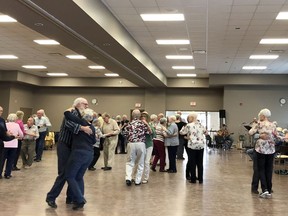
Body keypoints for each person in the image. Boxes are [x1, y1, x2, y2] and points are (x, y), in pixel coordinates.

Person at [46, 97, 91, 208]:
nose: (87, 106)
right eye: (85, 104)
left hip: (73, 147)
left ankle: (70, 198)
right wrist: (83, 128)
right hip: (64, 145)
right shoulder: (72, 112)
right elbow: (69, 125)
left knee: (73, 173)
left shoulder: (79, 114)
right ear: (79, 104)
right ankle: (51, 197)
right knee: (64, 173)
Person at [63, 108, 96, 210]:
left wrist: (70, 108)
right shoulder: (92, 127)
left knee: (70, 176)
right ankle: (78, 200)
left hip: (79, 153)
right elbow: (94, 141)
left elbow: (67, 114)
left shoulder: (82, 123)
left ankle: (80, 199)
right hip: (89, 154)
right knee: (79, 177)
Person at [249, 108, 277, 199]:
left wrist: (254, 125)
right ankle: (269, 190)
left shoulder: (259, 123)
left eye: (260, 115)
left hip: (261, 149)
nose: (259, 117)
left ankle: (264, 190)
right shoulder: (273, 124)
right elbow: (275, 136)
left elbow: (250, 132)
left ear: (263, 116)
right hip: (271, 149)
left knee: (261, 169)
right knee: (269, 170)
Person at [124, 109, 151, 186]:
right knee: (140, 162)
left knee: (129, 162)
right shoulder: (143, 124)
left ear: (132, 115)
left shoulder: (128, 124)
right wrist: (147, 125)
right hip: (141, 144)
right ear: (139, 116)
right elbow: (149, 132)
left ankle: (128, 178)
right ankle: (137, 180)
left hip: (131, 143)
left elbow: (125, 134)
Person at [180, 112, 207, 183]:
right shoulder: (201, 125)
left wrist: (187, 136)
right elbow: (206, 133)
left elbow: (181, 132)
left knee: (192, 162)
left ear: (191, 118)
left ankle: (193, 179)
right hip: (201, 145)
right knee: (200, 163)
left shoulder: (188, 125)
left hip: (192, 145)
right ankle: (201, 179)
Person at [1, 113, 24, 179]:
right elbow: (21, 134)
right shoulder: (17, 125)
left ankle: (0, 173)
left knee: (2, 160)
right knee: (10, 160)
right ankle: (7, 174)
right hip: (13, 145)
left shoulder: (5, 124)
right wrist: (18, 137)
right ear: (15, 118)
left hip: (5, 144)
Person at [141, 111, 156, 184]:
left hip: (149, 145)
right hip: (141, 145)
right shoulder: (139, 125)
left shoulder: (150, 125)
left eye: (145, 117)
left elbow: (153, 135)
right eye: (142, 117)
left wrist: (146, 124)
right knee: (140, 162)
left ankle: (146, 178)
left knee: (146, 162)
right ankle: (137, 177)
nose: (143, 118)